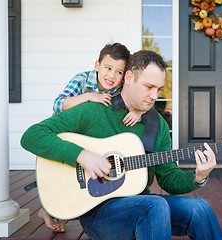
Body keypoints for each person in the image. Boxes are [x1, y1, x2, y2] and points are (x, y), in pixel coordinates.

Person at [21, 50, 222, 240]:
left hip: (141, 202)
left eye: (159, 89)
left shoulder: (158, 125)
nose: (155, 96)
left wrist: (198, 177)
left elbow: (168, 178)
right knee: (154, 205)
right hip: (98, 212)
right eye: (149, 87)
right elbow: (32, 135)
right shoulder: (95, 110)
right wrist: (82, 155)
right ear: (129, 78)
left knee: (200, 208)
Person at [39, 43, 144, 232]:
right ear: (97, 65)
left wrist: (139, 111)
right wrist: (88, 96)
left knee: (77, 177)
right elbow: (58, 104)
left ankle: (62, 211)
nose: (112, 76)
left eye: (119, 72)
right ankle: (48, 208)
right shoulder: (82, 79)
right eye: (108, 68)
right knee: (56, 171)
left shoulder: (118, 88)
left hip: (88, 139)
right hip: (65, 134)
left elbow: (138, 96)